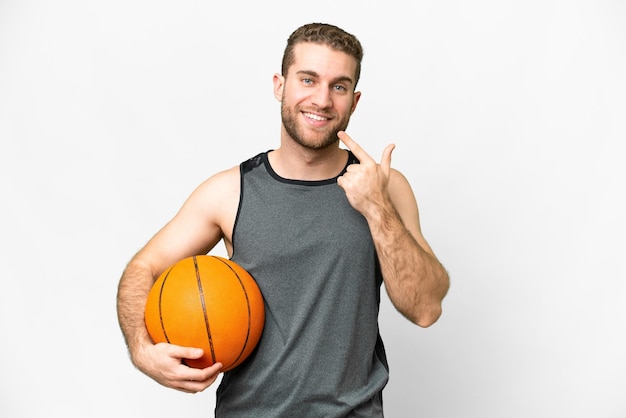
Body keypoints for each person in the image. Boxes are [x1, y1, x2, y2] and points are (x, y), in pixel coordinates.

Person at [117, 22, 449, 417]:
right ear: (280, 85)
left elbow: (425, 308)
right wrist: (142, 348)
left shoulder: (385, 187)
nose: (322, 100)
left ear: (355, 101)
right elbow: (144, 267)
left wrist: (377, 208)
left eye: (339, 86)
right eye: (308, 79)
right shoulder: (229, 192)